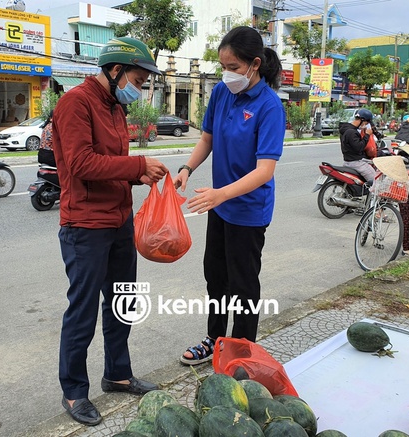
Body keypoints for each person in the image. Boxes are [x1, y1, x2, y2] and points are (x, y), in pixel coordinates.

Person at [51, 36, 168, 426]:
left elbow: (112, 164)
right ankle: (74, 392)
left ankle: (117, 373)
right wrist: (137, 167)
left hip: (119, 221)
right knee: (82, 312)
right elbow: (82, 163)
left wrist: (141, 175)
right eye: (137, 78)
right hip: (85, 226)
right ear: (115, 70)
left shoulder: (115, 107)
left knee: (123, 303)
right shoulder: (74, 104)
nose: (141, 87)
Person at [173, 26, 286, 366]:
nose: (227, 74)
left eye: (233, 67)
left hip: (248, 211)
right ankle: (215, 339)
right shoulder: (223, 93)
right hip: (219, 207)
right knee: (216, 276)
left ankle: (241, 351)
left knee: (243, 285)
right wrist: (187, 168)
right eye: (223, 66)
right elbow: (207, 138)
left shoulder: (269, 107)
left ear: (254, 64)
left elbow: (264, 170)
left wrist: (222, 194)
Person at [339, 108, 377, 185]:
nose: (365, 125)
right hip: (356, 162)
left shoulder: (346, 129)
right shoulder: (352, 132)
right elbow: (359, 147)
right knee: (375, 180)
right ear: (362, 120)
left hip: (348, 160)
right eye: (366, 123)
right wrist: (367, 135)